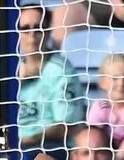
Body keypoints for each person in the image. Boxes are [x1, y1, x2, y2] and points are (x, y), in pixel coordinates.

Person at [15, 3, 84, 152]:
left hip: (49, 146)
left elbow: (67, 127)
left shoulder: (61, 69)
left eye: (38, 28)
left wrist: (30, 140)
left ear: (47, 31)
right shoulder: (11, 68)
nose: (32, 35)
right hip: (14, 145)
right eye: (25, 29)